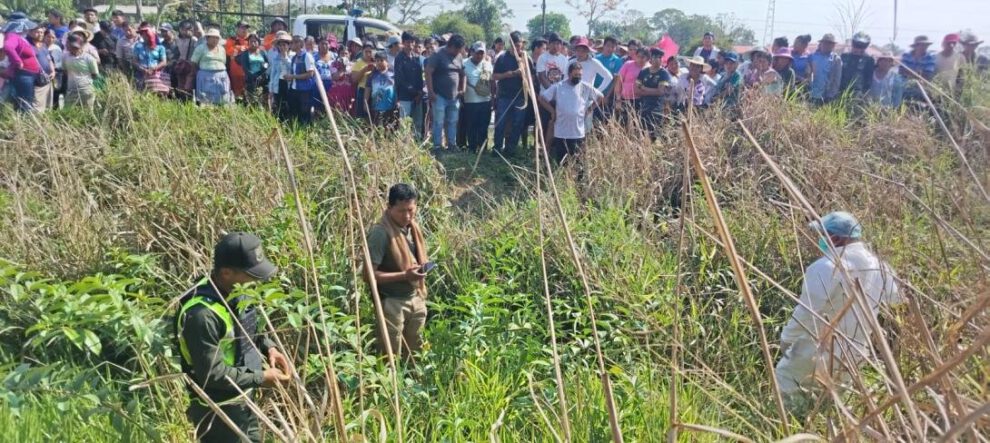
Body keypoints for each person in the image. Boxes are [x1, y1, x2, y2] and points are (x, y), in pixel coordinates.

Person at [775, 211, 901, 411]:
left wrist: (787, 338)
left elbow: (807, 312)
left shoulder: (825, 266)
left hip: (817, 347)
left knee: (786, 384)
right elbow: (897, 298)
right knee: (832, 404)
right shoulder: (881, 268)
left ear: (834, 238)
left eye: (822, 235)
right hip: (856, 351)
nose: (820, 240)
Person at [175, 232, 292, 443]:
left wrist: (270, 348)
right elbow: (213, 375)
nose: (256, 280)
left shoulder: (237, 291)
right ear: (226, 273)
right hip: (217, 410)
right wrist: (263, 378)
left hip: (244, 398)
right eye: (251, 274)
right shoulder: (201, 316)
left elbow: (248, 331)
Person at [366, 184, 430, 362]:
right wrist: (405, 276)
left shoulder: (413, 229)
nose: (407, 216)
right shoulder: (380, 233)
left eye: (411, 210)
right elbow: (369, 275)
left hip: (416, 296)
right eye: (401, 211)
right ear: (389, 207)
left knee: (416, 353)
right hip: (393, 303)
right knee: (390, 356)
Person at [538, 61, 603, 165]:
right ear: (569, 74)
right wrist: (552, 111)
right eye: (575, 75)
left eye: (580, 75)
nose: (578, 77)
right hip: (561, 132)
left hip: (578, 133)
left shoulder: (585, 87)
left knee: (579, 163)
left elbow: (600, 97)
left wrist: (589, 110)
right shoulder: (558, 86)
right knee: (561, 163)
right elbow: (542, 98)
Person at [425, 33, 465, 153]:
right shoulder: (437, 54)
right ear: (451, 46)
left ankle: (451, 145)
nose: (458, 52)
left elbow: (463, 74)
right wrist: (431, 92)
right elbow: (428, 72)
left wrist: (462, 89)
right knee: (438, 122)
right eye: (457, 49)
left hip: (454, 97)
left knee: (452, 121)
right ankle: (437, 146)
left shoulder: (459, 56)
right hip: (439, 96)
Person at [491, 31, 527, 156]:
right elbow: (494, 76)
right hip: (504, 97)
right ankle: (497, 148)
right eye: (516, 45)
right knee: (500, 122)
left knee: (517, 124)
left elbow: (532, 78)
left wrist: (525, 73)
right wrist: (511, 73)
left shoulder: (525, 59)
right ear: (511, 44)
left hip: (521, 97)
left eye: (520, 45)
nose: (518, 48)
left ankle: (511, 149)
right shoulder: (502, 58)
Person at [3, 18, 42, 113]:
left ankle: (24, 123)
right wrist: (18, 61)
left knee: (26, 101)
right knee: (24, 103)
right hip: (23, 75)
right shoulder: (13, 36)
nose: (27, 29)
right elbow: (8, 47)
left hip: (27, 75)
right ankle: (23, 123)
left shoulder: (20, 38)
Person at [462, 41, 493, 152]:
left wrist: (493, 98)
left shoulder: (488, 65)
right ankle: (472, 148)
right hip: (470, 101)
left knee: (484, 126)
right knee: (471, 126)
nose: (479, 56)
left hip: (485, 101)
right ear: (471, 52)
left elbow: (492, 82)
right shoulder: (464, 63)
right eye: (477, 53)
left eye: (482, 53)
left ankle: (483, 148)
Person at [635, 48, 670, 141]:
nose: (656, 60)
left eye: (659, 57)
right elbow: (636, 89)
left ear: (662, 59)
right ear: (651, 58)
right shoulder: (644, 71)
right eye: (654, 57)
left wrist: (644, 88)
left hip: (656, 108)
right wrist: (650, 90)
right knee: (641, 133)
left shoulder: (664, 74)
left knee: (653, 135)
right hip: (643, 106)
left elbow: (660, 91)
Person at [395, 31, 425, 139]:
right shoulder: (399, 58)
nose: (411, 44)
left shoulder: (417, 58)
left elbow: (421, 78)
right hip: (405, 96)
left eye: (412, 42)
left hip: (418, 96)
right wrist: (415, 92)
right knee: (404, 124)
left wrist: (420, 93)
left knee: (417, 123)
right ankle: (403, 147)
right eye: (408, 42)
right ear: (403, 42)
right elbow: (400, 79)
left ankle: (416, 145)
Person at [191, 28, 232, 105]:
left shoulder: (222, 49)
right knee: (206, 99)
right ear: (207, 38)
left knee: (222, 99)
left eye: (217, 38)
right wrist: (199, 73)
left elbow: (224, 62)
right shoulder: (201, 48)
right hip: (205, 76)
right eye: (212, 37)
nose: (215, 40)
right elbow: (193, 62)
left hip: (221, 77)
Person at [62, 33, 100, 109]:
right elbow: (65, 71)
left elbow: (95, 74)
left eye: (68, 44)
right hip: (71, 90)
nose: (68, 46)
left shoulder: (89, 58)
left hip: (86, 90)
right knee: (69, 111)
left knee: (88, 111)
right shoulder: (65, 56)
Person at [286, 36, 317, 124]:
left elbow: (310, 74)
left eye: (292, 43)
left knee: (305, 114)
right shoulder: (294, 58)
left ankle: (306, 132)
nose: (290, 45)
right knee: (294, 113)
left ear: (299, 44)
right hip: (294, 89)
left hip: (305, 90)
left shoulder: (307, 56)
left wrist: (293, 76)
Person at [133, 25, 170, 96]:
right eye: (142, 35)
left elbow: (164, 62)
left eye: (146, 34)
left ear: (152, 34)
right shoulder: (138, 46)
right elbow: (134, 61)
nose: (143, 36)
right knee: (142, 95)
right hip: (141, 74)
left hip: (156, 75)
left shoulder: (160, 48)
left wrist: (153, 68)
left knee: (158, 95)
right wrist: (143, 69)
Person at [900, 35, 936, 103]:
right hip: (904, 88)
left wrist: (910, 73)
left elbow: (927, 75)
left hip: (921, 90)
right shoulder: (906, 55)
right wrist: (918, 73)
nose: (924, 47)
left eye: (926, 45)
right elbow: (901, 71)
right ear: (915, 46)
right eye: (921, 45)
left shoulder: (930, 58)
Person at [236, 34, 269, 105]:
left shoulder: (263, 52)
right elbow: (245, 68)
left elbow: (267, 64)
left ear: (258, 42)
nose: (253, 43)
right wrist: (255, 76)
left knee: (263, 102)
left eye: (255, 41)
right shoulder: (245, 54)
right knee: (251, 102)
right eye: (251, 42)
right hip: (251, 80)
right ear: (248, 43)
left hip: (263, 80)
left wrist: (263, 71)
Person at [365, 51, 397, 126]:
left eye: (381, 60)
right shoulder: (372, 75)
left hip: (390, 107)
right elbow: (368, 89)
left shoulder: (393, 74)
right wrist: (365, 102)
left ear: (387, 61)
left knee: (389, 129)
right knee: (377, 128)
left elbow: (397, 88)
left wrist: (397, 101)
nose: (379, 62)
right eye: (377, 61)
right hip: (376, 107)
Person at [839, 32, 875, 97]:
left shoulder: (869, 60)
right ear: (853, 43)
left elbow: (868, 81)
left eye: (862, 46)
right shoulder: (843, 57)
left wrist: (864, 95)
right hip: (841, 92)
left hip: (857, 94)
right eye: (857, 45)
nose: (858, 48)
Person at [809, 34, 842, 104]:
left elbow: (837, 79)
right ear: (821, 43)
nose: (826, 45)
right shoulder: (812, 56)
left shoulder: (836, 59)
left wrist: (831, 96)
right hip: (811, 94)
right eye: (825, 43)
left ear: (833, 46)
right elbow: (808, 74)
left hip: (826, 96)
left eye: (829, 44)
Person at [615, 47, 649, 117]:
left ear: (647, 58)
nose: (640, 59)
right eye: (638, 56)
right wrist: (618, 99)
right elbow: (619, 81)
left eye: (642, 57)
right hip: (624, 99)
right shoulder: (628, 64)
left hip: (641, 100)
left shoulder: (649, 69)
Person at [267, 32, 292, 120]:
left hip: (289, 84)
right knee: (279, 104)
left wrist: (285, 58)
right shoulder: (275, 59)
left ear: (288, 46)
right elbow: (273, 75)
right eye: (280, 45)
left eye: (284, 45)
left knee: (289, 103)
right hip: (278, 83)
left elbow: (291, 68)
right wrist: (271, 90)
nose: (282, 47)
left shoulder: (292, 57)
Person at [226, 21, 253, 99]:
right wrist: (239, 48)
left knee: (248, 93)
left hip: (249, 72)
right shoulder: (231, 39)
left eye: (246, 28)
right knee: (236, 94)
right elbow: (228, 51)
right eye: (242, 27)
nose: (244, 30)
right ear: (237, 29)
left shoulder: (251, 39)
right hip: (236, 71)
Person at [351, 41, 375, 119]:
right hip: (362, 90)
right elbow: (354, 79)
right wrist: (364, 69)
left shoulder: (376, 61)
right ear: (362, 51)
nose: (368, 54)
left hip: (374, 91)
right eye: (366, 52)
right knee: (361, 114)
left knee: (373, 114)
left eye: (370, 52)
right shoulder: (358, 62)